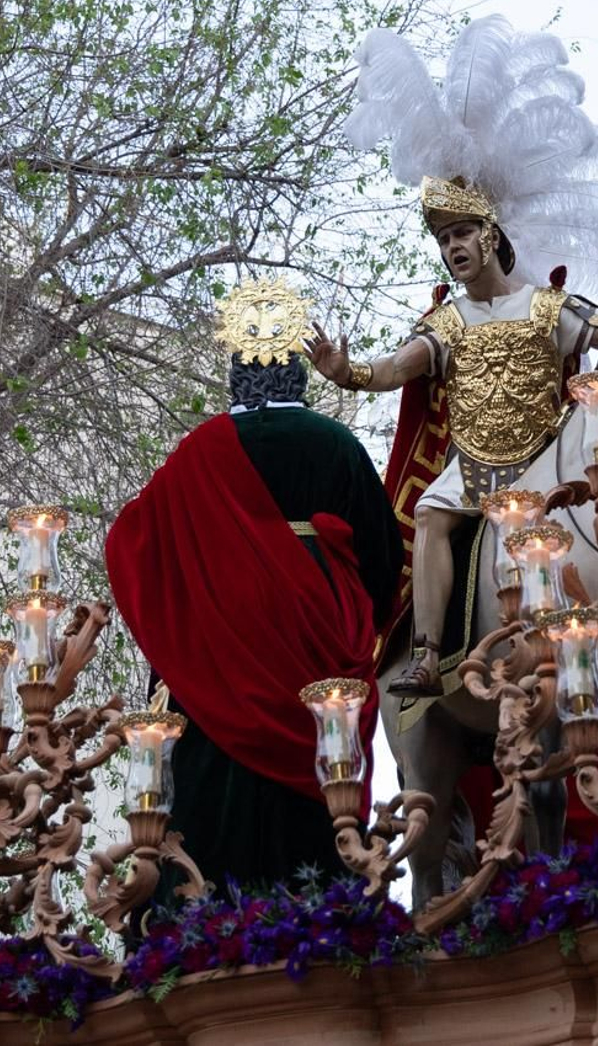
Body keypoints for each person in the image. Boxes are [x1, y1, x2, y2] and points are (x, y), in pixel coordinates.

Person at [105, 284, 401, 895]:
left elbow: (133, 539)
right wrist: (358, 608)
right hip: (317, 630)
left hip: (221, 632)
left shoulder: (200, 450)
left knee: (216, 761)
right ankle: (323, 908)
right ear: (298, 373)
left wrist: (185, 603)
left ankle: (203, 913)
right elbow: (382, 555)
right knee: (324, 763)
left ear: (236, 373)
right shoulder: (335, 443)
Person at [305, 175, 598, 697]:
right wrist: (347, 372)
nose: (453, 247)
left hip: (543, 460)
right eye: (445, 240)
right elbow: (396, 369)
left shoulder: (549, 306)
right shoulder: (449, 322)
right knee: (429, 510)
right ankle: (426, 655)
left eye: (463, 233)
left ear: (491, 235)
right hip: (471, 465)